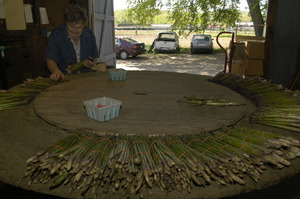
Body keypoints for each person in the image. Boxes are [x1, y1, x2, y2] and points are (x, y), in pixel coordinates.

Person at [45, 4, 99, 81]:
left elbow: (94, 57)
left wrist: (91, 63)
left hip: (84, 78)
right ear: (66, 23)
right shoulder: (57, 35)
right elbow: (50, 59)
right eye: (71, 27)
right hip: (63, 78)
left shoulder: (89, 35)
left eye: (78, 27)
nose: (74, 31)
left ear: (83, 25)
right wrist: (55, 71)